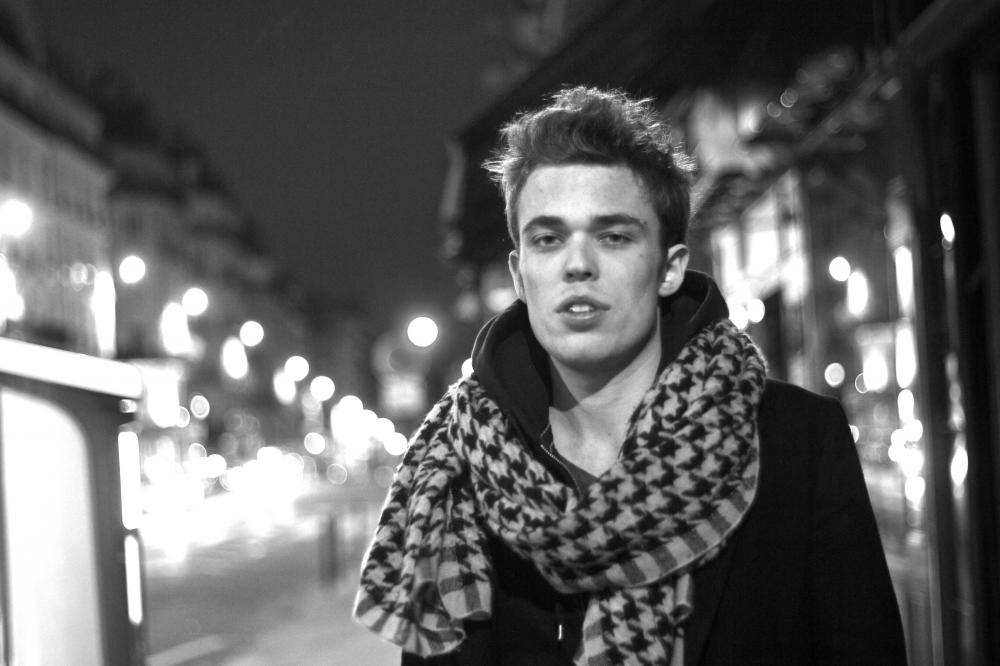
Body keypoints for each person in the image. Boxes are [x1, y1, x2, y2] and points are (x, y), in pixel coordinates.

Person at [355, 86, 906, 665]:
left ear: (670, 268)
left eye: (613, 236)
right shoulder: (458, 471)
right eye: (548, 239)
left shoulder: (797, 441)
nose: (578, 264)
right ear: (520, 274)